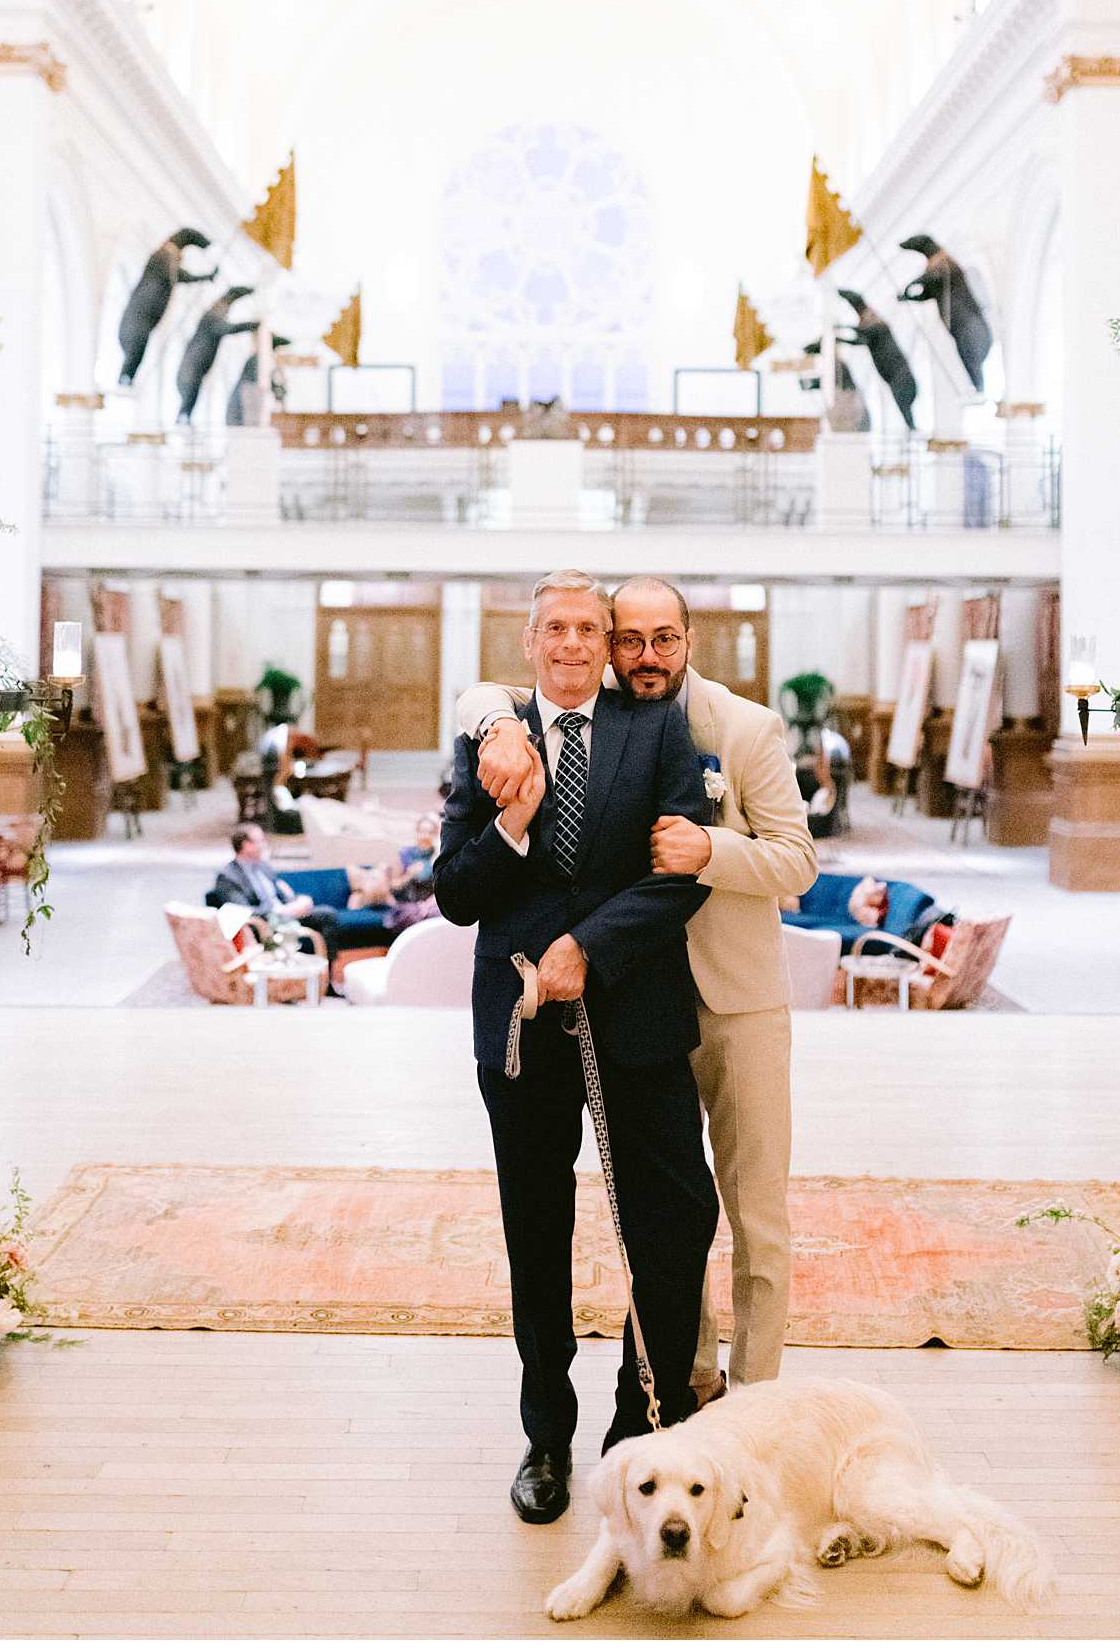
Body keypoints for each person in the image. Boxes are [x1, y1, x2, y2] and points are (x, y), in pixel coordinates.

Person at [458, 574, 818, 1409]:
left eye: (664, 638)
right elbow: (490, 692)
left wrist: (710, 852)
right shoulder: (596, 704)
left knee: (750, 1211)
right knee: (666, 1206)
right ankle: (679, 1378)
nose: (643, 655)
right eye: (630, 638)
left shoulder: (747, 728)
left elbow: (798, 863)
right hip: (635, 998)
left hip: (730, 999)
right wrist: (499, 724)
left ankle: (756, 1401)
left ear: (691, 641)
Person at [435, 569, 719, 1526]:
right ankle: (546, 1435)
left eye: (586, 628)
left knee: (677, 1213)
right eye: (552, 627)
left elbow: (682, 873)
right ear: (528, 641)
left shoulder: (657, 730)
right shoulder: (490, 738)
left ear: (607, 643)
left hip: (632, 1011)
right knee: (536, 1230)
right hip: (519, 1030)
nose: (569, 643)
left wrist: (586, 948)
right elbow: (454, 894)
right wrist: (510, 821)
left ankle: (642, 1421)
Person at [210, 822, 340, 957]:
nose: (264, 845)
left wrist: (298, 901)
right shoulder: (228, 876)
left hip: (287, 913)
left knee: (327, 914)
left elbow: (282, 893)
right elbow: (241, 910)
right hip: (265, 922)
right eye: (260, 841)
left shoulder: (263, 867)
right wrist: (281, 912)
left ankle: (326, 973)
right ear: (246, 845)